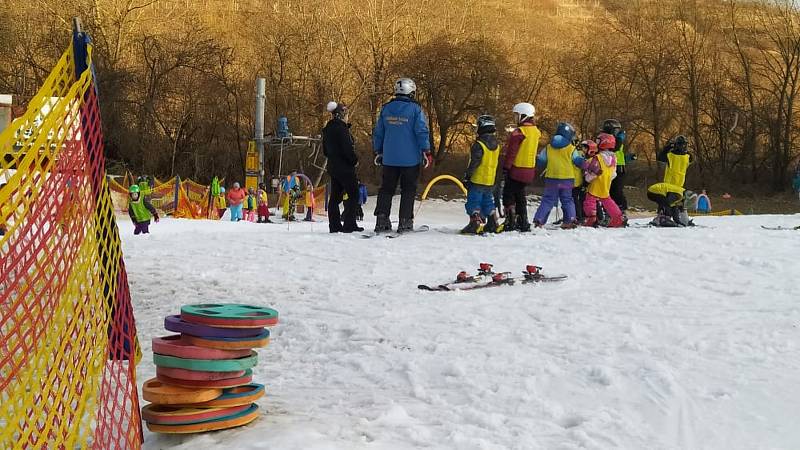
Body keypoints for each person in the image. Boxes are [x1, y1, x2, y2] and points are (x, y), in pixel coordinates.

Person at [372, 78, 432, 233]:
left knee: (386, 189)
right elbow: (421, 131)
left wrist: (378, 150)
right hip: (410, 159)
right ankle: (405, 221)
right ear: (411, 92)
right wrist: (426, 150)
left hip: (389, 158)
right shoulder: (415, 110)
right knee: (408, 190)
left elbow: (379, 132)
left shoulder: (386, 109)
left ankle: (381, 219)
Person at [532, 122, 583, 229]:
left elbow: (541, 161)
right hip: (567, 179)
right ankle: (570, 220)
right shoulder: (571, 148)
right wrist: (586, 164)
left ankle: (539, 220)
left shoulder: (549, 147)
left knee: (548, 200)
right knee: (567, 200)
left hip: (551, 179)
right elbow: (578, 161)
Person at [323, 101, 363, 233]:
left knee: (335, 197)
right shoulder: (342, 128)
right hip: (345, 167)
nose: (347, 117)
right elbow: (347, 148)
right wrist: (354, 160)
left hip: (333, 167)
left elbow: (325, 151)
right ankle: (349, 224)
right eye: (346, 114)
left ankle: (334, 225)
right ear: (341, 114)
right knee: (353, 194)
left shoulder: (327, 129)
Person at [501, 102, 540, 232]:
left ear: (523, 115)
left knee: (508, 194)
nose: (515, 118)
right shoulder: (536, 132)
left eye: (517, 115)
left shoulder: (519, 132)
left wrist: (506, 167)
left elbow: (512, 153)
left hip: (517, 169)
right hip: (530, 170)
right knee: (520, 194)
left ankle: (510, 220)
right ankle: (523, 220)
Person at [461, 115, 502, 234]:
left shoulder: (479, 144)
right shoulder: (496, 144)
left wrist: (467, 176)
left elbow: (474, 162)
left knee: (473, 201)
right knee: (488, 201)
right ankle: (493, 221)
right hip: (490, 181)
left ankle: (475, 223)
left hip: (477, 180)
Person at [581, 135, 625, 227]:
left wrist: (586, 179)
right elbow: (614, 174)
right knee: (608, 201)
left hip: (595, 182)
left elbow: (593, 172)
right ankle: (618, 218)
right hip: (606, 183)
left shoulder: (597, 158)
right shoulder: (614, 158)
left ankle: (591, 217)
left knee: (590, 200)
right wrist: (607, 178)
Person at [600, 119, 630, 214]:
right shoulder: (605, 138)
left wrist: (628, 158)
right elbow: (613, 148)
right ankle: (609, 211)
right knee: (608, 191)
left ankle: (621, 209)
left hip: (619, 167)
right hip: (608, 166)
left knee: (617, 190)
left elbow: (617, 149)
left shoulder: (616, 139)